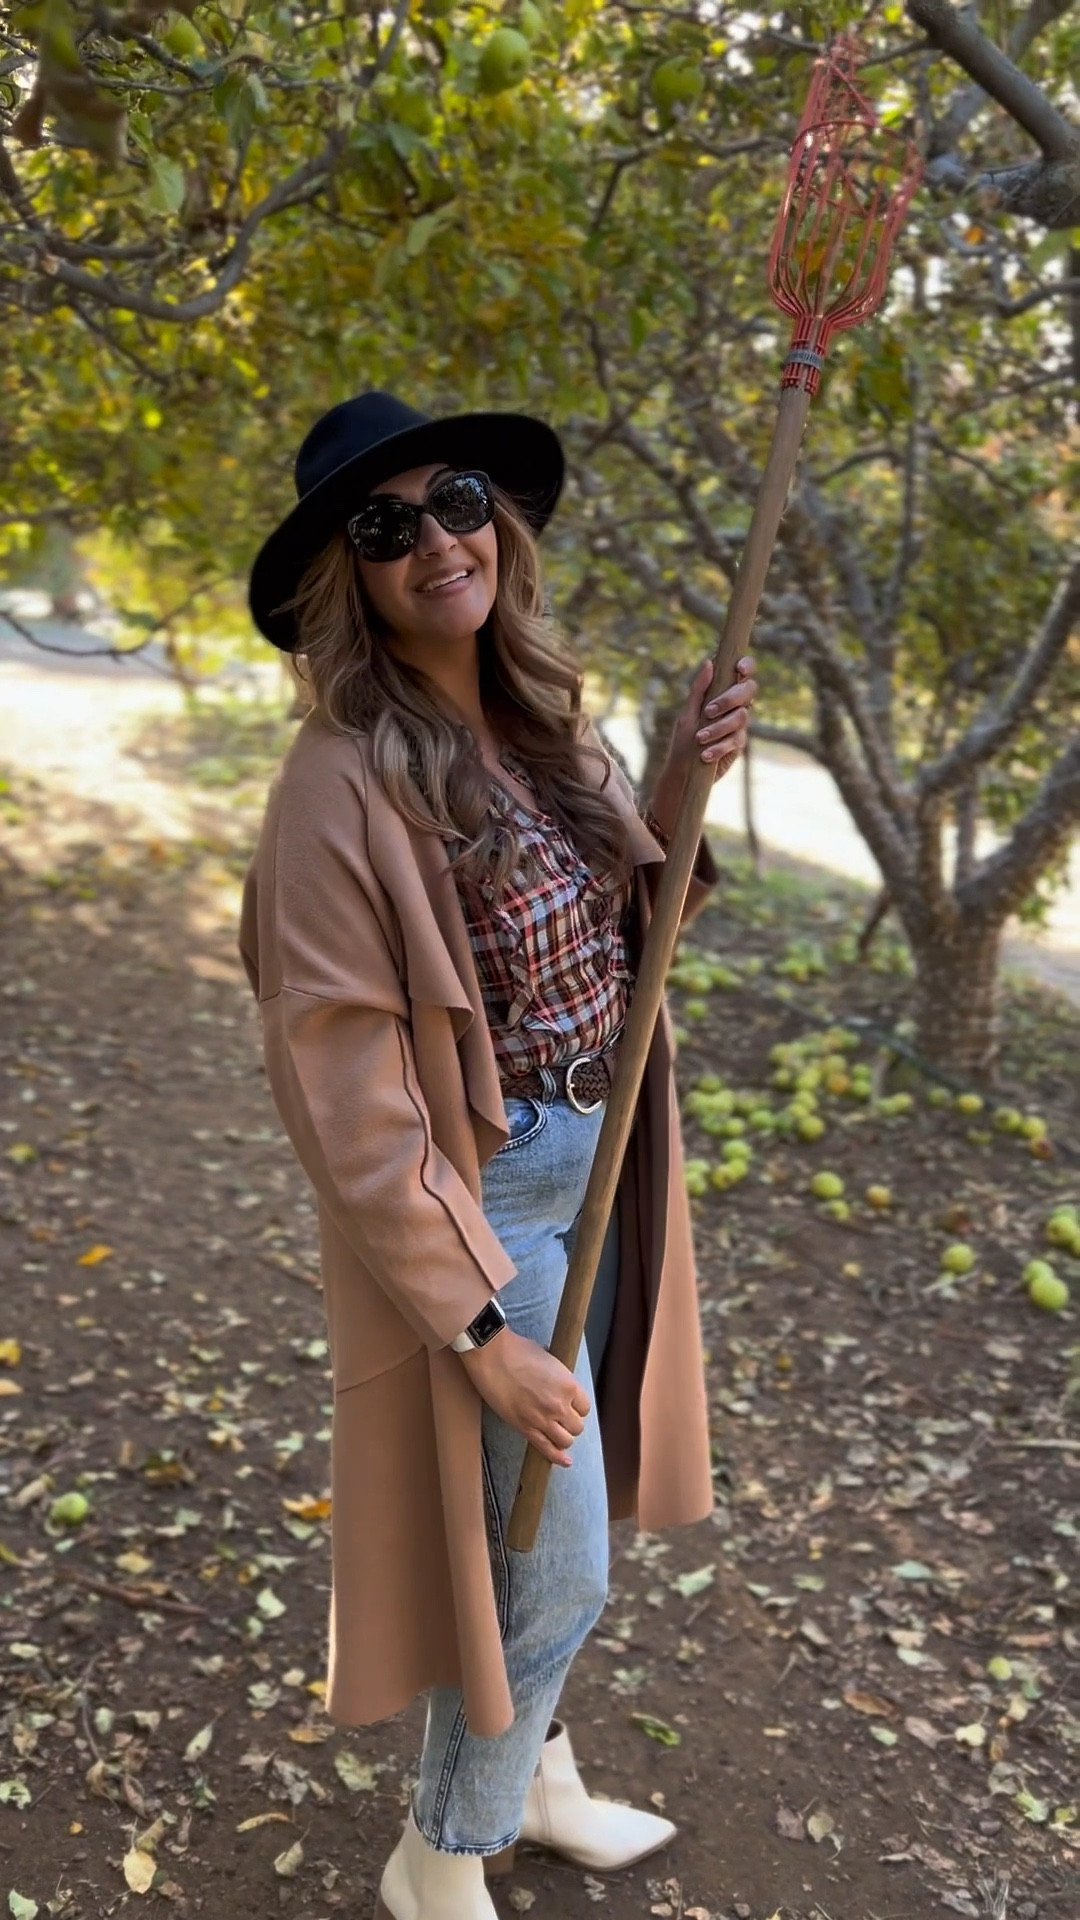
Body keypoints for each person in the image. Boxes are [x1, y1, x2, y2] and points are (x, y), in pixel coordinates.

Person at [240, 391, 755, 1920]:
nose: (433, 541)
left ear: (498, 520)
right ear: (350, 578)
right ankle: (440, 1850)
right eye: (382, 528)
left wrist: (673, 784)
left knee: (543, 1549)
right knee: (555, 1555)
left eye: (454, 498)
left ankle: (537, 1779)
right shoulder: (339, 783)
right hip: (500, 1200)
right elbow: (344, 1093)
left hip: (606, 1159)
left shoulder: (535, 711)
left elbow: (621, 935)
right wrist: (473, 1324)